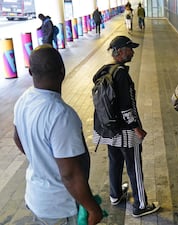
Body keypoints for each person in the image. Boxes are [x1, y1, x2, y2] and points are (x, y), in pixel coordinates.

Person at [13, 45, 103, 225]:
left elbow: (17, 138)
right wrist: (93, 208)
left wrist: (40, 159)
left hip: (36, 197)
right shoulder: (61, 115)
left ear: (30, 72)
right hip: (60, 207)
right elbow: (70, 175)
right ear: (62, 71)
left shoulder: (24, 100)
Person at [92, 36, 160, 217]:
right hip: (124, 130)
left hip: (108, 129)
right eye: (129, 48)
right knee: (134, 165)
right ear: (119, 51)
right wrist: (136, 128)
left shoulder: (105, 70)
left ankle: (115, 195)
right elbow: (126, 105)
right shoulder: (121, 73)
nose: (133, 51)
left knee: (115, 161)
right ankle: (141, 205)